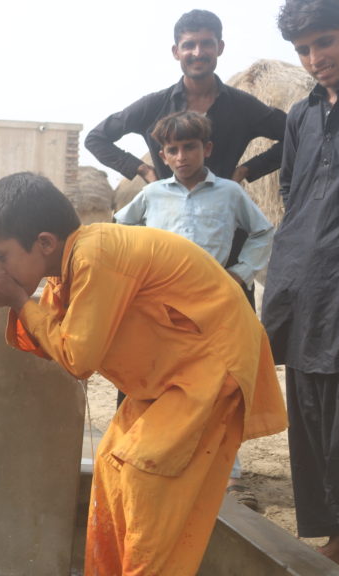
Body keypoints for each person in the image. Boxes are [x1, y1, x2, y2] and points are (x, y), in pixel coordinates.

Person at [0, 172, 286, 576]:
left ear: (44, 242)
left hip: (210, 362)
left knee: (146, 468)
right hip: (172, 369)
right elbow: (62, 335)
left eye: (1, 257)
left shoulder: (95, 253)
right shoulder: (74, 259)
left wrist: (19, 300)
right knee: (110, 462)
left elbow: (77, 358)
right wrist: (18, 297)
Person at [114, 110, 274, 510]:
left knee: (215, 386)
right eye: (173, 149)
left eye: (190, 147)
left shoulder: (229, 193)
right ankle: (154, 460)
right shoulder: (152, 195)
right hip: (159, 308)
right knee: (161, 381)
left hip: (210, 306)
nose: (182, 156)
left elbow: (262, 230)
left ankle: (227, 474)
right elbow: (117, 228)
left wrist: (239, 273)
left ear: (207, 149)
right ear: (163, 156)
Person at [263, 0, 339, 573]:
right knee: (311, 413)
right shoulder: (300, 116)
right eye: (303, 50)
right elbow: (295, 196)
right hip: (305, 283)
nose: (314, 59)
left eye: (324, 43)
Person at [86, 9, 285, 186]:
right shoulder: (154, 106)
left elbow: (295, 135)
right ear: (176, 52)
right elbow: (96, 139)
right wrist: (143, 170)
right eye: (189, 45)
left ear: (220, 48)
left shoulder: (242, 106)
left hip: (224, 219)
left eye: (207, 44)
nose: (198, 53)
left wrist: (245, 171)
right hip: (166, 220)